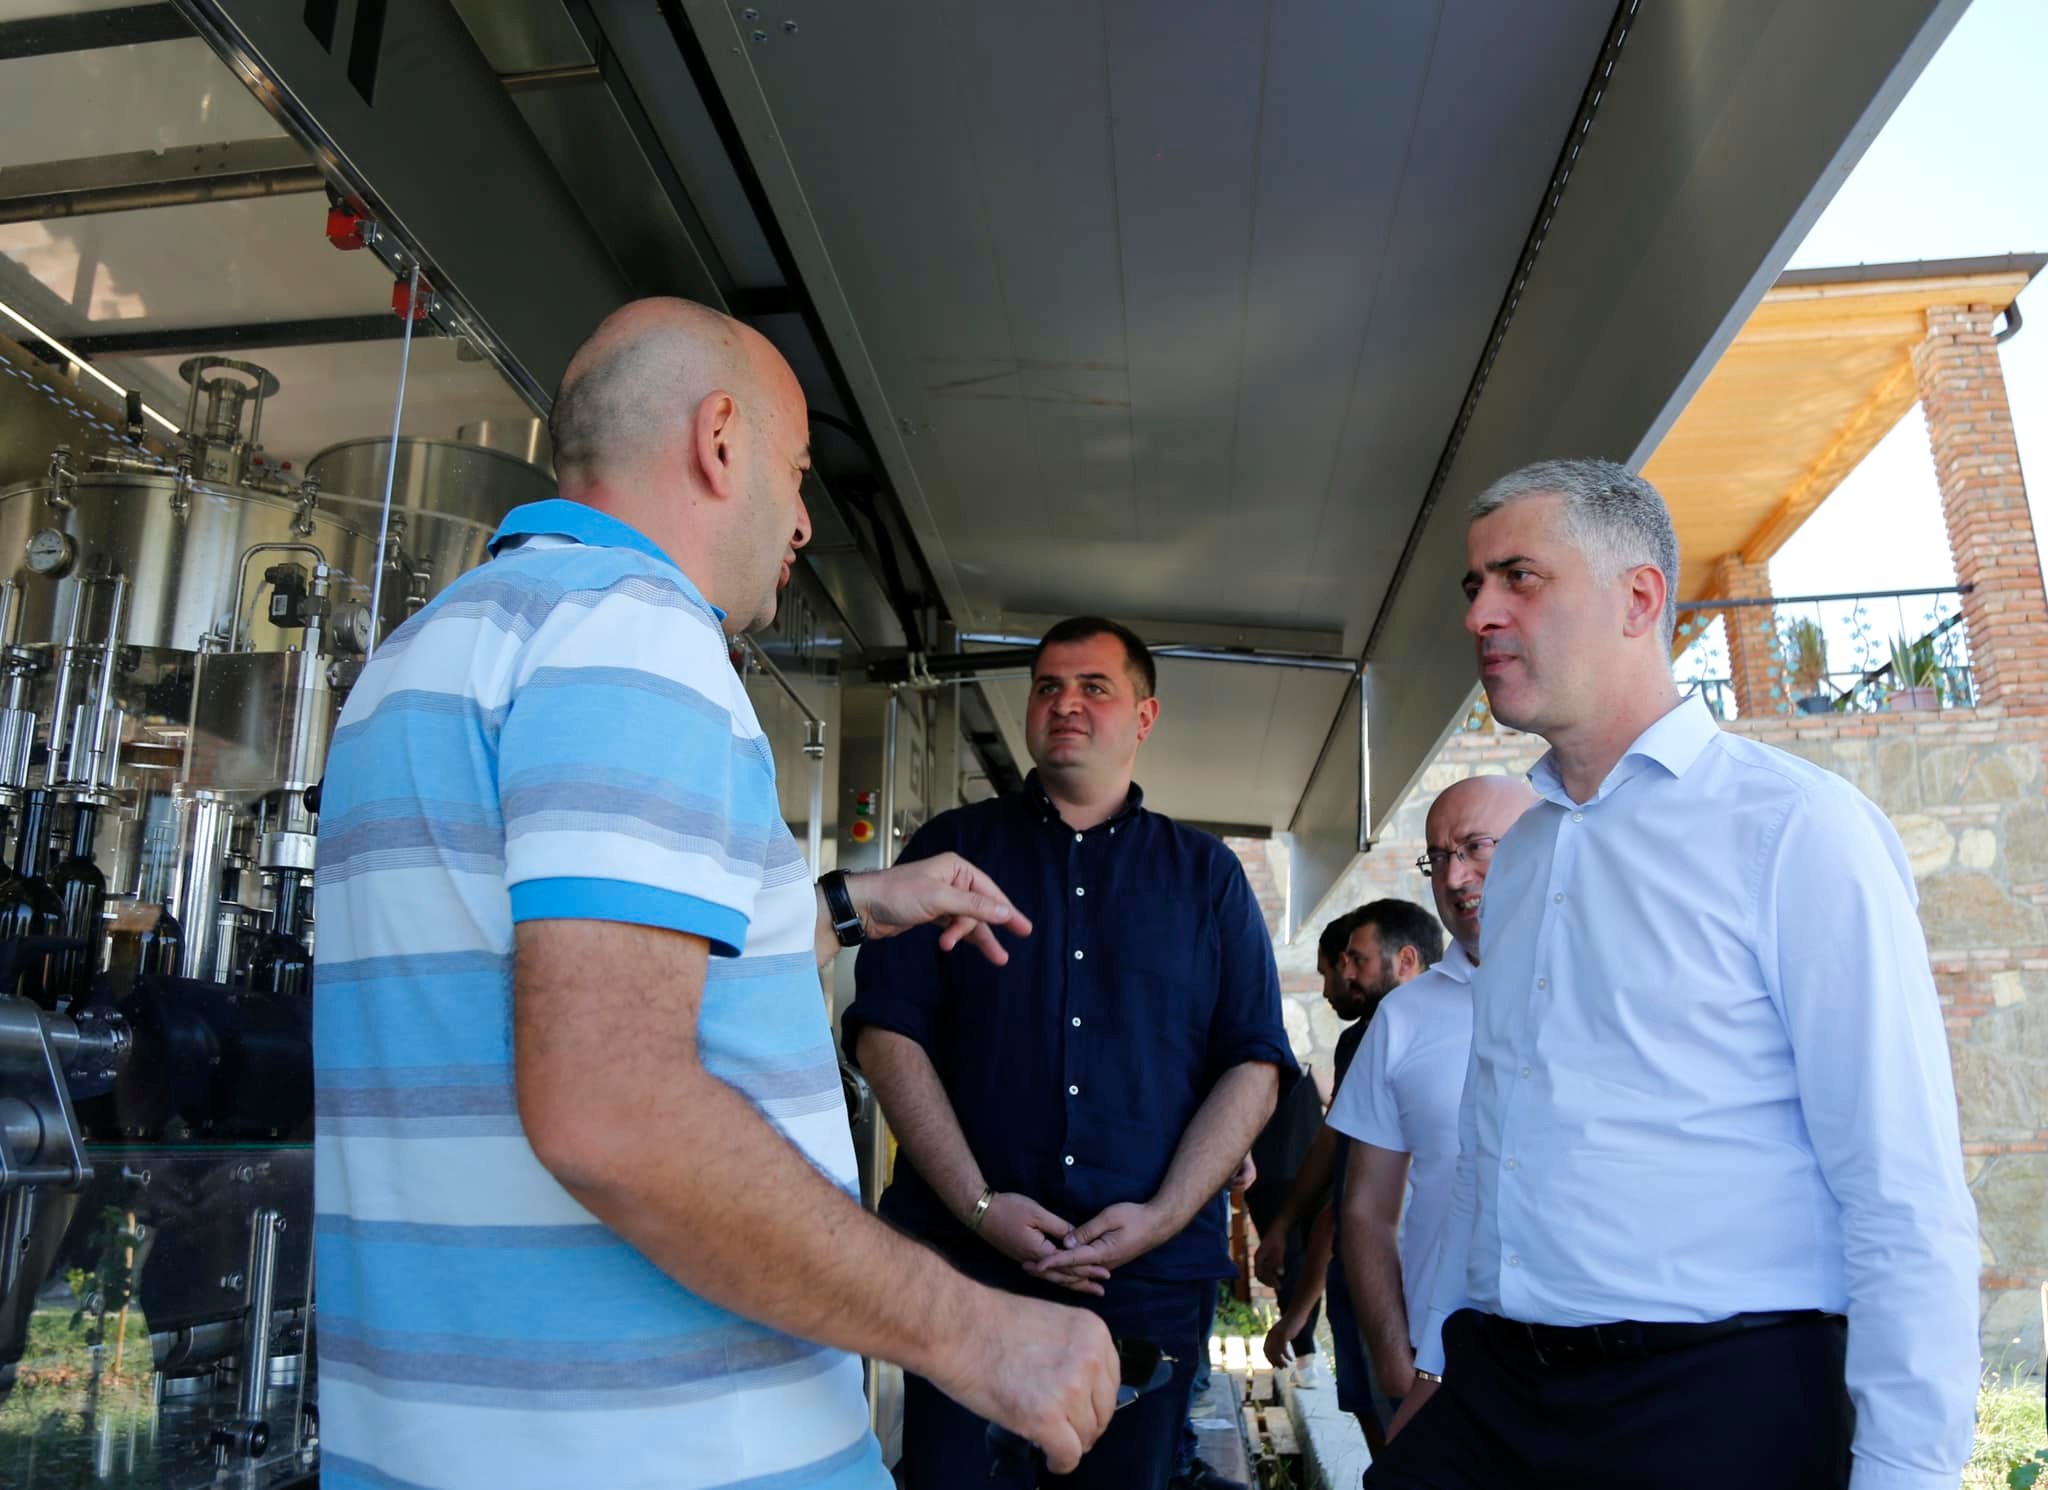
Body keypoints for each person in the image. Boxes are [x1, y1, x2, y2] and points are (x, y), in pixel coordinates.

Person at [313, 298, 1120, 1490]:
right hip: (668, 1452)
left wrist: (853, 906)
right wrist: (975, 1328)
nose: (801, 520)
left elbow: (561, 973)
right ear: (721, 437)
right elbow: (612, 1109)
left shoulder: (418, 656)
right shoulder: (635, 634)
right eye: (795, 475)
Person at [1371, 459, 1979, 1489]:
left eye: (1519, 577)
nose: (1479, 613)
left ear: (1639, 598)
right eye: (1472, 586)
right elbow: (1496, 1138)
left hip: (1716, 1403)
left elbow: (1900, 1184)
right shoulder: (1523, 860)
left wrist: (1904, 1473)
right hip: (1497, 1387)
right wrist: (1441, 1356)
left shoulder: (1795, 829)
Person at [845, 616, 1299, 1490]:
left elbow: (1255, 1066)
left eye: (1096, 687)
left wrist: (1162, 1216)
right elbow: (889, 1033)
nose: (1066, 704)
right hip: (963, 1269)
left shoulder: (1207, 876)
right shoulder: (950, 854)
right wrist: (980, 1207)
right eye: (1048, 686)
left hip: (1150, 1282)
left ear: (1145, 717)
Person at [1326, 776, 1536, 1429]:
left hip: (1595, 1369)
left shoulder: (1613, 990)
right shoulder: (1403, 1017)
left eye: (1475, 847)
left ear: (1543, 844)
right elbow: (1365, 1209)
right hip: (1441, 1372)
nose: (1454, 875)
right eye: (1439, 857)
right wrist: (1396, 1363)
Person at [1254, 900, 1440, 1447]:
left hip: (1402, 1281)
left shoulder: (1429, 1037)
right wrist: (1285, 1224)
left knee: (1406, 1438)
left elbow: (1358, 1203)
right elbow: (1336, 1154)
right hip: (1355, 1272)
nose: (1345, 976)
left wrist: (1296, 1312)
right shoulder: (1361, 1040)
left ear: (1406, 960)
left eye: (1356, 961)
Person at [1247, 915, 1361, 1383]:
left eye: (1326, 973)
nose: (1326, 989)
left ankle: (1305, 1348)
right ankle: (1305, 1349)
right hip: (1284, 1172)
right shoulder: (1349, 1045)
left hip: (1291, 1170)